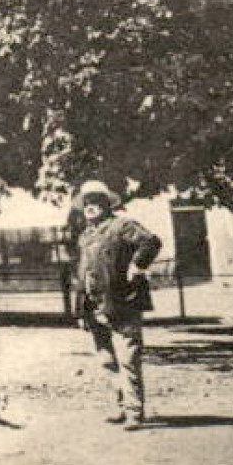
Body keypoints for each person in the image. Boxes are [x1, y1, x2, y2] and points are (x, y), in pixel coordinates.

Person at [72, 180, 162, 431]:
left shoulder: (123, 225)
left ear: (107, 203)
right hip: (94, 307)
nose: (91, 206)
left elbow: (151, 242)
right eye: (86, 202)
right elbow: (82, 273)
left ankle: (135, 412)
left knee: (128, 359)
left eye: (96, 201)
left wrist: (138, 265)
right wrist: (80, 310)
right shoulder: (85, 236)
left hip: (122, 302)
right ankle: (122, 407)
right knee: (106, 360)